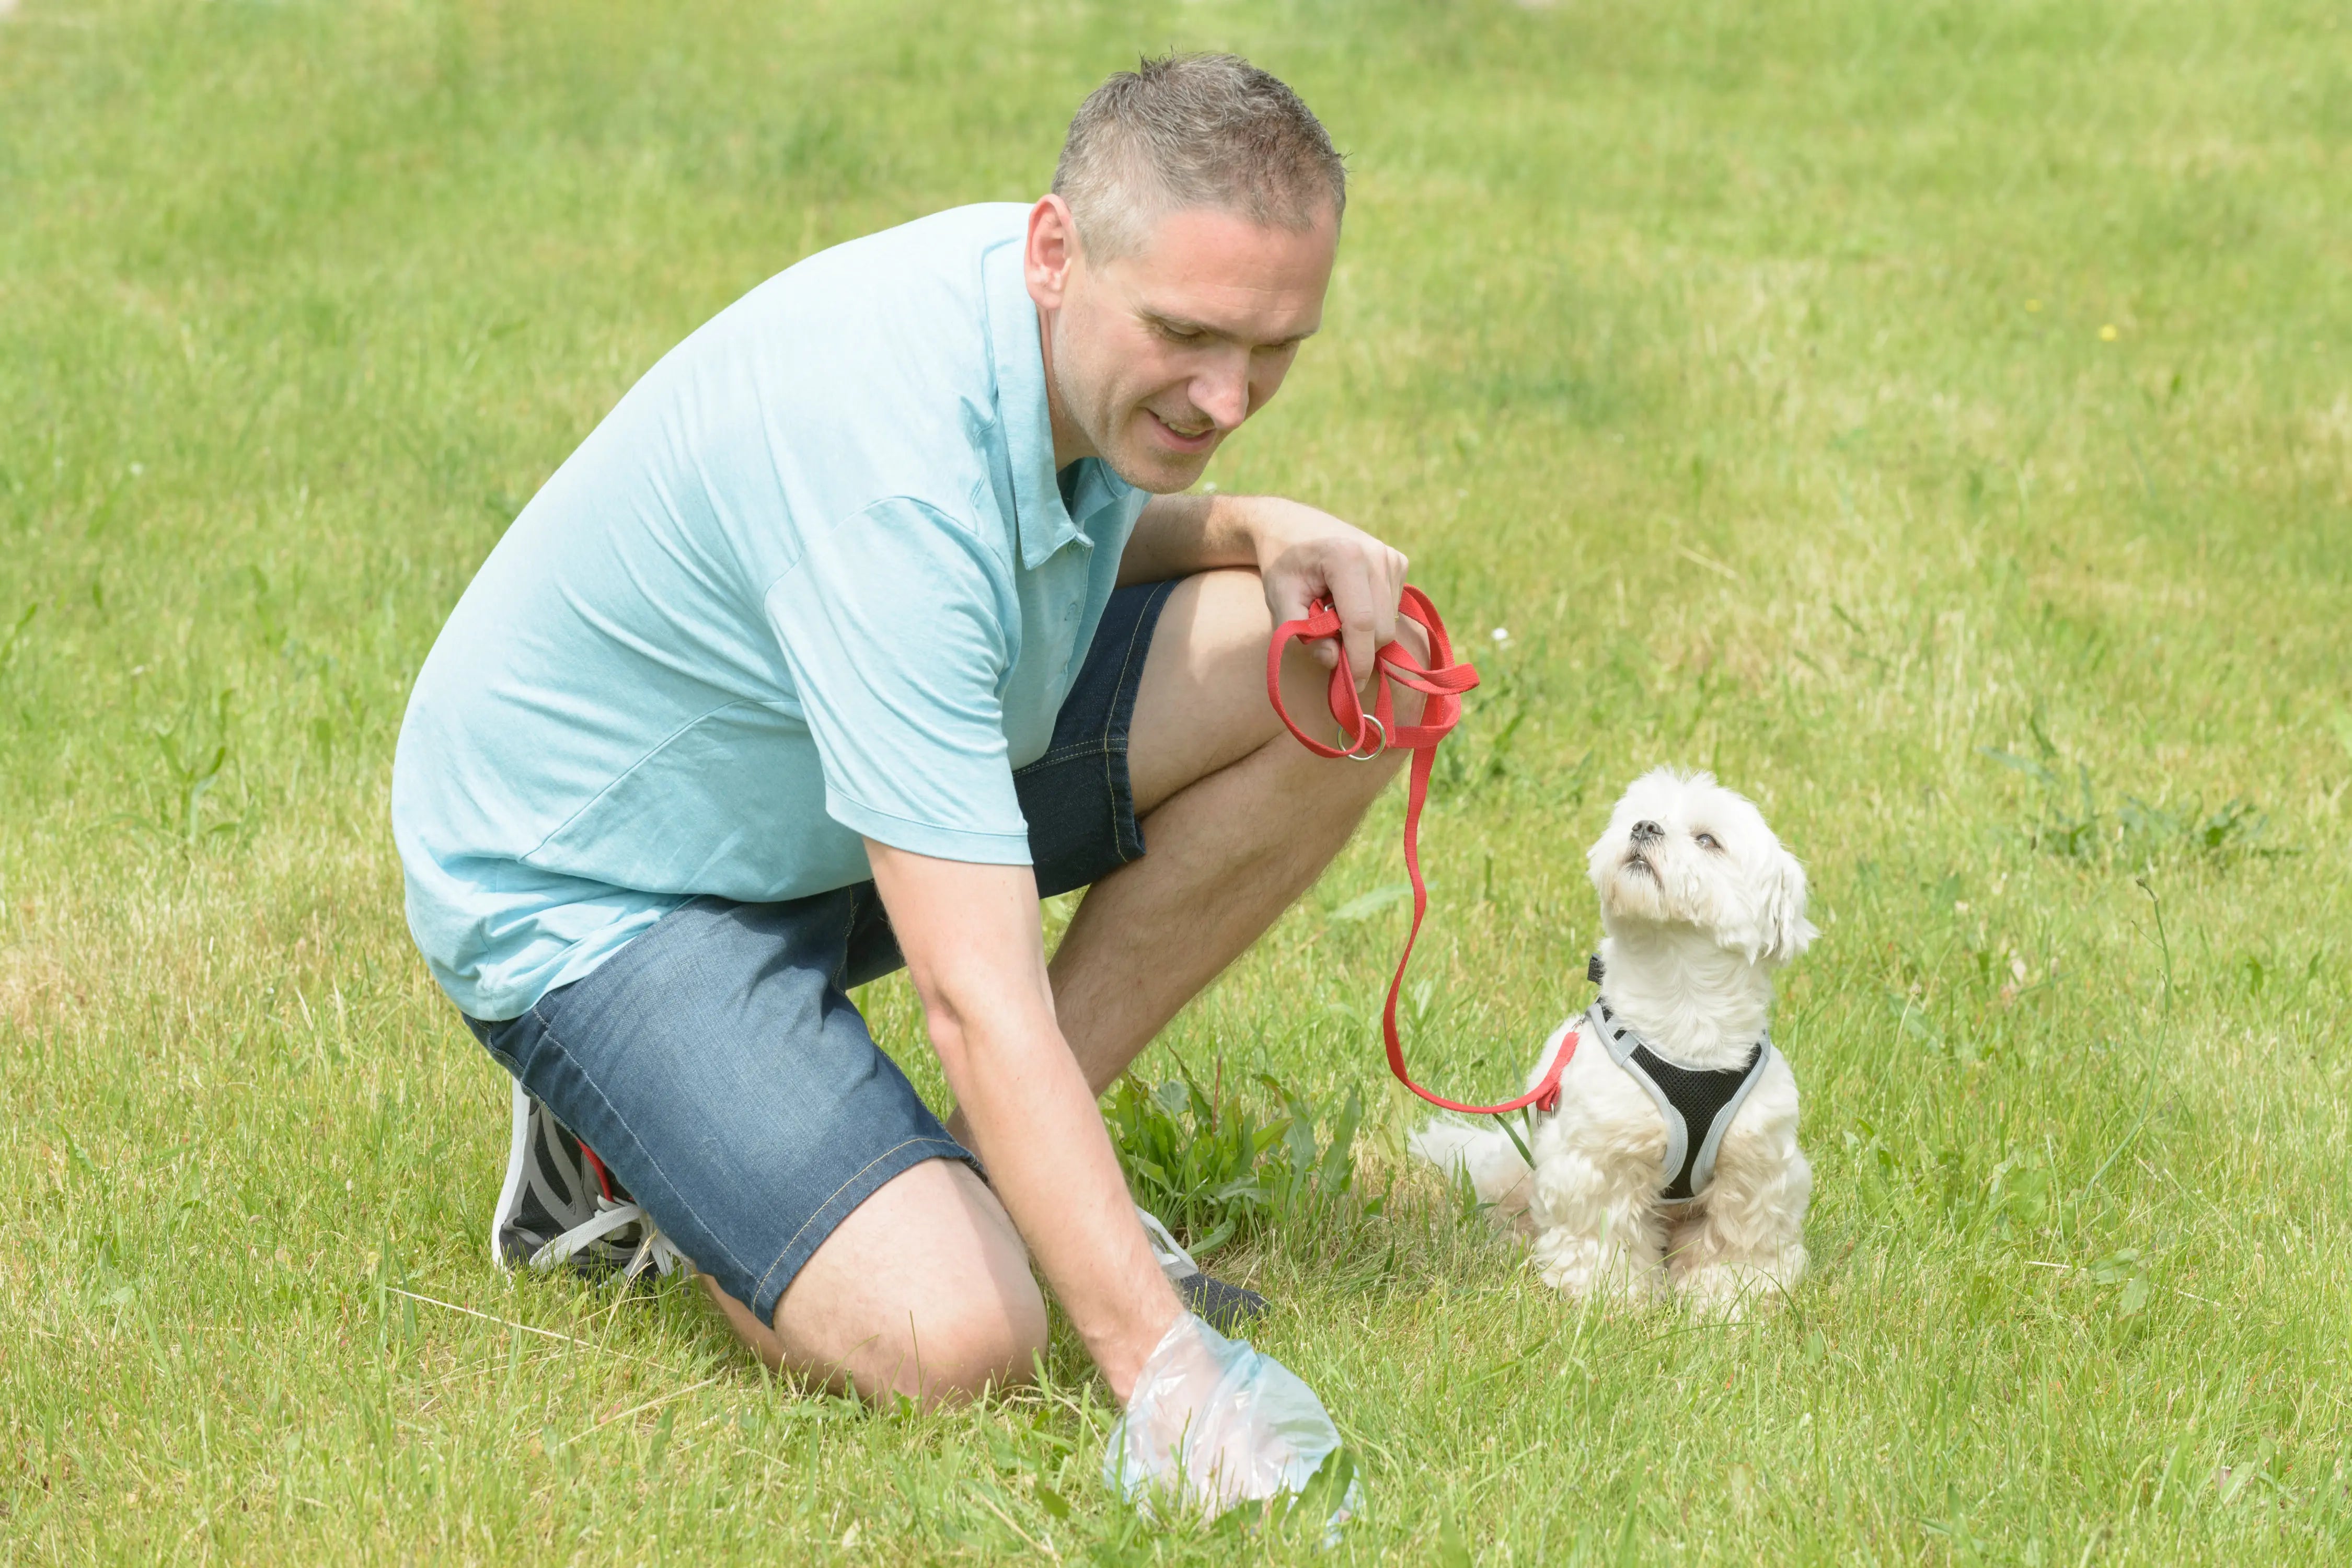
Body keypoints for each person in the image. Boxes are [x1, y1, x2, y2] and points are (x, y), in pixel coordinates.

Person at [391, 53, 1424, 1442]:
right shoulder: (890, 474)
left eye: (1273, 347)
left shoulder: (1059, 322)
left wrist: (1251, 525)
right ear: (1056, 249)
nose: (1226, 398)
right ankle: (618, 1149)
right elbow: (972, 993)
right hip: (603, 890)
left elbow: (1064, 530)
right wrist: (1166, 1377)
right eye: (1188, 335)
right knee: (959, 1335)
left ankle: (983, 1170)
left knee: (1342, 671)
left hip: (816, 788)